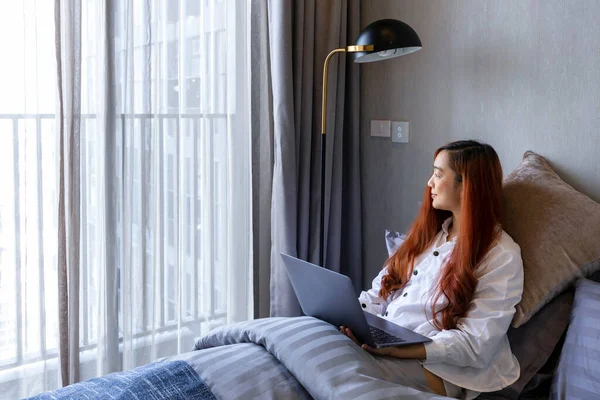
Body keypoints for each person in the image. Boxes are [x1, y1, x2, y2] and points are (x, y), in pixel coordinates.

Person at [341, 140, 524, 399]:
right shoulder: (427, 235)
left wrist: (400, 351)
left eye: (438, 174)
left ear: (467, 186)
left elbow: (475, 344)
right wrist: (351, 319)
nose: (429, 183)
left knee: (342, 377)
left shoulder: (501, 256)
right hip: (387, 346)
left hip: (440, 369)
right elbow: (378, 294)